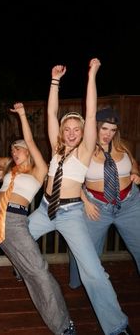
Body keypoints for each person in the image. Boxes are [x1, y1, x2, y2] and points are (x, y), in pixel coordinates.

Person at [28, 59, 134, 335]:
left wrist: (92, 75)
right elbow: (51, 113)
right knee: (10, 235)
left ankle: (117, 326)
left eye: (78, 128)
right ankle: (15, 266)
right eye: (68, 129)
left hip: (71, 213)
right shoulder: (56, 148)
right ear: (62, 133)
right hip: (43, 209)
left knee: (93, 272)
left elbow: (90, 108)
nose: (73, 133)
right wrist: (54, 81)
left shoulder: (85, 150)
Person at [0, 102, 77, 335]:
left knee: (37, 270)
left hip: (14, 220)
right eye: (13, 149)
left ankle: (63, 325)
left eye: (20, 149)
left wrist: (23, 116)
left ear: (30, 152)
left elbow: (32, 142)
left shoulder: (39, 169)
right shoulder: (11, 167)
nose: (15, 153)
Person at [69, 106, 140, 290]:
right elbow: (72, 181)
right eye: (104, 128)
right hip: (96, 206)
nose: (108, 134)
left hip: (130, 204)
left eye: (113, 130)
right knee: (85, 249)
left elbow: (133, 162)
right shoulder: (83, 149)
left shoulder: (122, 145)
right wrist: (85, 203)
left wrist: (135, 172)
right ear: (96, 127)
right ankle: (78, 283)